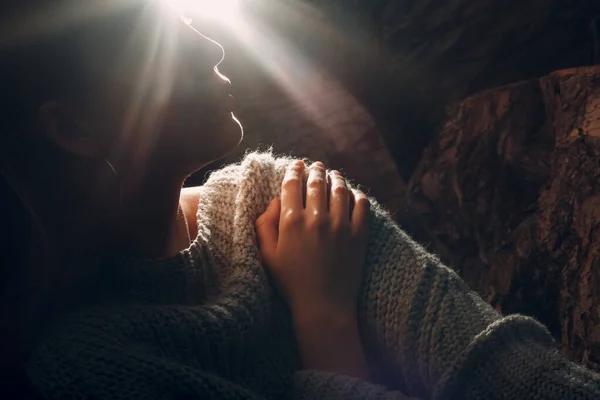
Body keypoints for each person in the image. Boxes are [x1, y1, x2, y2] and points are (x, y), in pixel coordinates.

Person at [1, 1, 600, 399]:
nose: (210, 46)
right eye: (152, 38)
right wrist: (324, 314)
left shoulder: (280, 199)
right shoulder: (86, 365)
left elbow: (511, 374)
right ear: (72, 130)